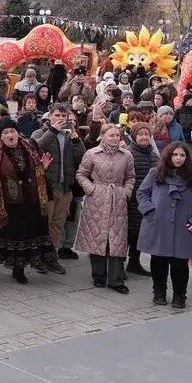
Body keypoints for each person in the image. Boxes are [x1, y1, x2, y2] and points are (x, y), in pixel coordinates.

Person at [0, 117, 60, 284]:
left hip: (31, 201)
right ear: (0, 136)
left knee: (24, 237)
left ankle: (18, 271)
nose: (10, 135)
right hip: (6, 205)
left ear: (17, 133)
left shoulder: (29, 147)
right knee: (0, 237)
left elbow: (34, 169)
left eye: (12, 131)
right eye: (5, 133)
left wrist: (42, 168)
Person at [136, 142, 192, 309]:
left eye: (182, 155)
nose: (178, 158)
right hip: (158, 225)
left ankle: (179, 296)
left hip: (183, 228)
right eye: (175, 155)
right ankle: (159, 292)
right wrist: (149, 211)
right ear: (168, 156)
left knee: (180, 265)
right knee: (158, 261)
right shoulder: (155, 174)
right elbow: (142, 193)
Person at [75, 124, 136, 293]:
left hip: (117, 198)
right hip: (97, 198)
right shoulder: (92, 153)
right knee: (97, 237)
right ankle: (98, 276)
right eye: (111, 135)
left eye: (117, 135)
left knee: (117, 239)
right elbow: (81, 174)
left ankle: (116, 280)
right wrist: (91, 189)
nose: (115, 138)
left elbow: (130, 177)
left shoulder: (126, 155)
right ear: (103, 136)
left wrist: (125, 192)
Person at [33, 104, 85, 260]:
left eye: (64, 116)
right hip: (48, 186)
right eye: (57, 115)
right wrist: (53, 130)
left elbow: (81, 158)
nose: (61, 119)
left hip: (65, 187)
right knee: (45, 223)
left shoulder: (70, 134)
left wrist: (76, 140)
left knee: (58, 223)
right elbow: (35, 147)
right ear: (50, 116)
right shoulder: (41, 132)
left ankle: (52, 254)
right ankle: (39, 255)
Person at [125, 122, 159, 277]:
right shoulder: (129, 153)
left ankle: (134, 262)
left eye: (147, 134)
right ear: (134, 137)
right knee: (129, 232)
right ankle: (119, 263)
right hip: (132, 200)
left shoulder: (153, 153)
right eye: (140, 134)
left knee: (139, 233)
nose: (144, 137)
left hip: (147, 200)